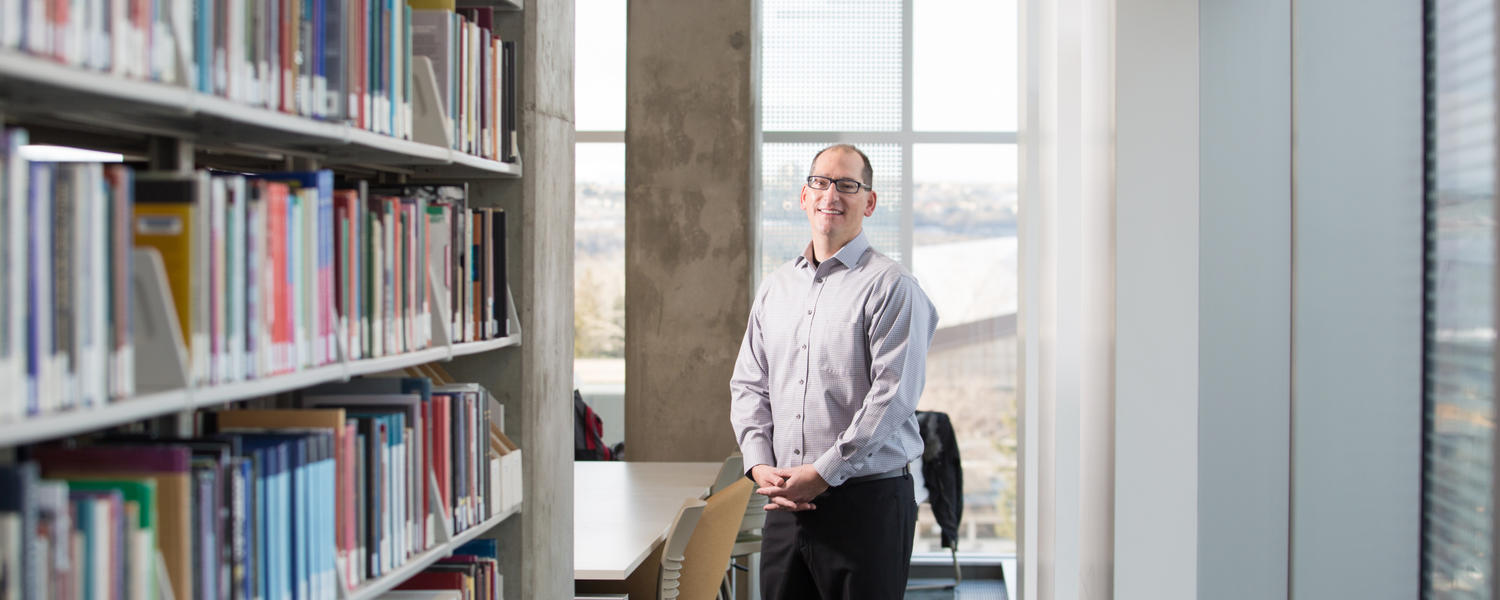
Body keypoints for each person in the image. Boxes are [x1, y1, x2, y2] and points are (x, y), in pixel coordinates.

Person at [730, 144, 939, 598]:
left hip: (867, 506)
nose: (832, 195)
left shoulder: (892, 286)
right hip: (785, 503)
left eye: (848, 185)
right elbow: (749, 384)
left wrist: (823, 472)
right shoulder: (776, 287)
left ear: (870, 202)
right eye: (821, 182)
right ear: (804, 196)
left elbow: (893, 397)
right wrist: (759, 463)